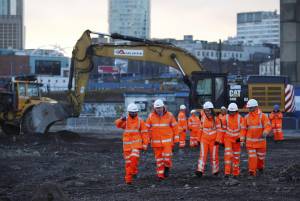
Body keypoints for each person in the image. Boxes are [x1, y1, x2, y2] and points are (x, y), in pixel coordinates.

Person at [115, 103, 149, 185]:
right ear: (128, 112)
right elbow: (117, 125)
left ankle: (133, 172)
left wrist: (145, 145)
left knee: (134, 157)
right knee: (128, 163)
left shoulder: (140, 121)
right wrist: (121, 119)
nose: (133, 113)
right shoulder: (125, 120)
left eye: (135, 112)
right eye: (132, 112)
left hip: (136, 144)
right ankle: (128, 180)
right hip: (126, 146)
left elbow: (145, 133)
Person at [145, 99, 179, 180]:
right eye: (157, 108)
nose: (159, 109)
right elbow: (145, 129)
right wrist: (146, 141)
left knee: (167, 157)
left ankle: (167, 167)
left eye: (160, 108)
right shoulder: (151, 116)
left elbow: (175, 128)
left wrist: (176, 140)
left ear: (163, 107)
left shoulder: (170, 115)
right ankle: (160, 175)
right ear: (154, 108)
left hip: (167, 142)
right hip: (156, 143)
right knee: (159, 159)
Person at [242, 99, 271, 178]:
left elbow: (268, 126)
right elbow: (243, 129)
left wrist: (265, 132)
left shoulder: (263, 116)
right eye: (249, 108)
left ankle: (260, 168)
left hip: (261, 143)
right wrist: (242, 140)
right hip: (250, 143)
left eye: (250, 108)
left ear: (256, 107)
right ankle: (252, 172)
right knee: (252, 158)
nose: (249, 109)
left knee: (261, 158)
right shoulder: (246, 117)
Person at [216, 103, 246, 178]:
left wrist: (241, 139)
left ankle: (236, 173)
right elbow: (222, 129)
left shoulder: (240, 118)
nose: (231, 113)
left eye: (233, 111)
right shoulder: (225, 118)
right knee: (228, 156)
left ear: (236, 111)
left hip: (237, 140)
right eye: (230, 111)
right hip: (228, 139)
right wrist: (221, 141)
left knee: (236, 157)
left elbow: (243, 130)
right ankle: (227, 172)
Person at [195, 101, 222, 177]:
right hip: (204, 140)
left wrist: (217, 140)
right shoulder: (202, 118)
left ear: (212, 110)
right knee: (202, 155)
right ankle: (200, 170)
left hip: (214, 141)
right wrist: (198, 139)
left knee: (214, 156)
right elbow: (200, 129)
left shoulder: (216, 119)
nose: (208, 112)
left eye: (209, 110)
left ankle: (215, 171)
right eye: (206, 110)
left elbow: (219, 130)